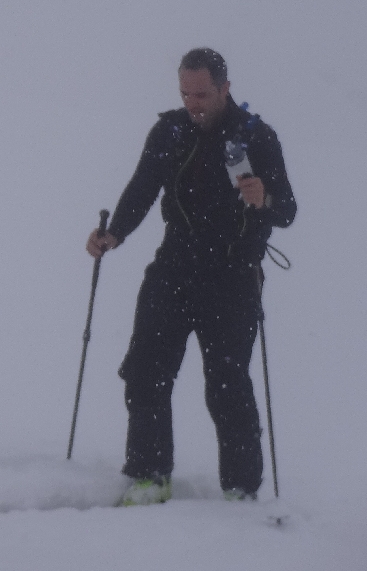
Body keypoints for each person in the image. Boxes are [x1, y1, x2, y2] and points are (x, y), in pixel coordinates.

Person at [86, 48, 296, 505]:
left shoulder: (258, 138)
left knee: (226, 383)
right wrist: (114, 233)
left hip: (233, 274)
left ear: (225, 88)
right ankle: (149, 476)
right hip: (174, 266)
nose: (193, 103)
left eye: (201, 94)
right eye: (185, 93)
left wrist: (264, 197)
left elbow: (288, 210)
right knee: (144, 371)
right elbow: (142, 187)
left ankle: (241, 490)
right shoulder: (171, 130)